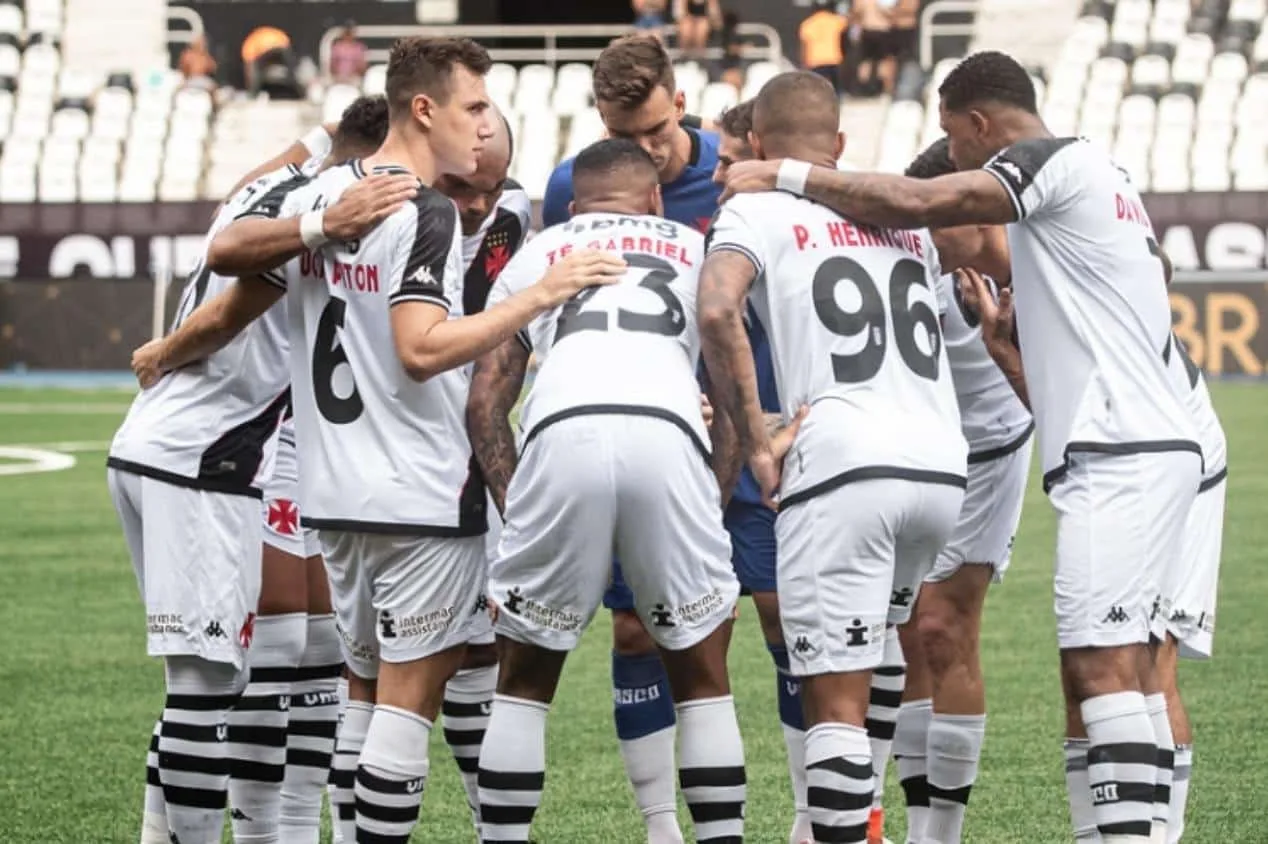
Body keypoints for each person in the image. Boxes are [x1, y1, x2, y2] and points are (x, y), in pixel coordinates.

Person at [721, 50, 1204, 843]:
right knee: (1091, 664)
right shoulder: (1088, 185)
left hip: (1112, 447)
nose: (956, 159)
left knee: (1106, 667)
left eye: (957, 141)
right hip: (1103, 444)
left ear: (979, 128)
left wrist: (784, 176)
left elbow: (917, 200)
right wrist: (1016, 348)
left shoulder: (1048, 169)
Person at [202, 36, 624, 842]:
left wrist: (315, 228)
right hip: (422, 494)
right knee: (407, 704)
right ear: (424, 109)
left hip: (332, 493)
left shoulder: (330, 189)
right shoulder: (424, 209)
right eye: (473, 107)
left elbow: (228, 248)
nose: (484, 124)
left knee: (362, 694)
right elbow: (421, 347)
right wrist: (543, 293)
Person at [112, 97, 400, 844]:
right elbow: (232, 284)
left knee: (216, 678)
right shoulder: (319, 206)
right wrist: (164, 351)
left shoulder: (264, 186)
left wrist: (317, 138)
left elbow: (244, 201)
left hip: (181, 450)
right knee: (209, 687)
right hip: (208, 456)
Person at [700, 70, 966, 844]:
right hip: (938, 463)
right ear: (839, 145)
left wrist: (754, 436)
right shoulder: (896, 216)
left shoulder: (755, 204)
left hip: (847, 460)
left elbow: (717, 305)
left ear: (755, 146)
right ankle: (866, 826)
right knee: (879, 649)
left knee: (832, 699)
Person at [467, 136, 754, 844]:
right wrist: (712, 499)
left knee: (526, 679)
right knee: (700, 671)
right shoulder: (698, 248)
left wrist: (519, 504)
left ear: (571, 205)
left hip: (562, 430)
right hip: (669, 433)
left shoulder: (544, 248)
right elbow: (734, 394)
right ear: (654, 197)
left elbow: (484, 404)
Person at [540, 33, 729, 844]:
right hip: (638, 430)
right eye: (626, 135)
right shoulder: (572, 187)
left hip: (729, 428)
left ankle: (809, 819)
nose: (644, 151)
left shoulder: (731, 173)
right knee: (633, 626)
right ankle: (661, 826)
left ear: (680, 106)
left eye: (655, 132)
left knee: (771, 615)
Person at [875, 137, 1033, 844]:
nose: (929, 232)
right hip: (923, 449)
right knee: (907, 630)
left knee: (946, 627)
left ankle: (944, 834)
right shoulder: (907, 257)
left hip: (993, 450)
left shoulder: (1031, 262)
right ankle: (912, 823)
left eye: (941, 217)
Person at [799, 2, 847, 93]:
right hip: (834, 59)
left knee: (817, 89)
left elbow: (804, 47)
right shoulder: (837, 20)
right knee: (836, 89)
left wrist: (803, 64)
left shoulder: (807, 24)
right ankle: (836, 105)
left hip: (815, 61)